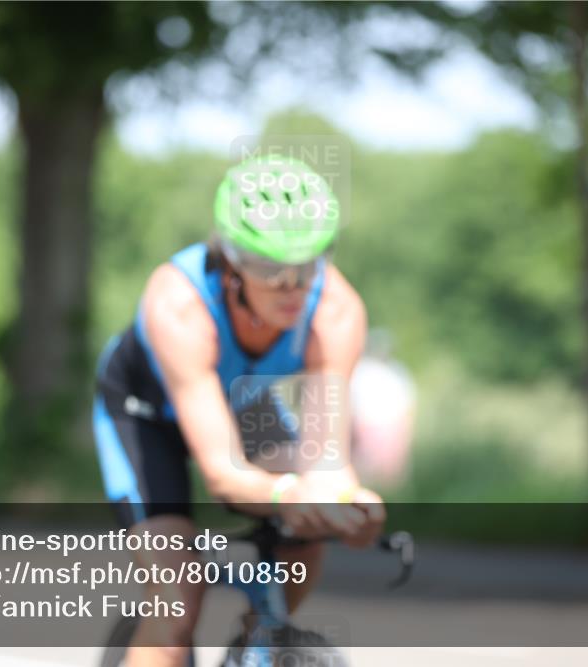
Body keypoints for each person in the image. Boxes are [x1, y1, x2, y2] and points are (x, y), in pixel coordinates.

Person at [92, 155, 385, 667]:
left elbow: (327, 460)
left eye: (310, 261)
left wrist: (351, 505)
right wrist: (288, 491)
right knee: (177, 598)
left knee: (307, 531)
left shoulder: (336, 311)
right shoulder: (178, 304)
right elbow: (224, 477)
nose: (293, 284)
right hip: (144, 413)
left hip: (244, 402)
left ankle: (258, 640)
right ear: (231, 261)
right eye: (270, 267)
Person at [349, 328, 417, 488]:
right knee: (365, 475)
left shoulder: (396, 371)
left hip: (391, 429)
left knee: (391, 477)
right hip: (366, 428)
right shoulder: (362, 370)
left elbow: (407, 406)